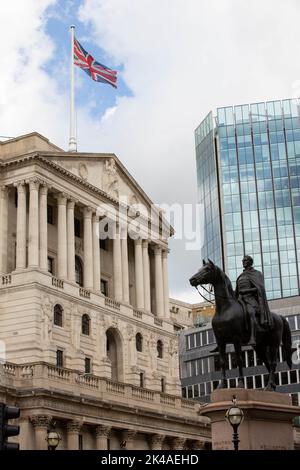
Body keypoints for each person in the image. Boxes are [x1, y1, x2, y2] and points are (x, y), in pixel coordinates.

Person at [235, 255, 273, 346]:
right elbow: (237, 291)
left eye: (245, 260)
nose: (243, 262)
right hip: (240, 299)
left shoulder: (257, 274)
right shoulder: (241, 276)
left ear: (250, 262)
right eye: (243, 260)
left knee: (250, 312)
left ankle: (252, 337)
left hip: (250, 300)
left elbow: (259, 288)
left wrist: (246, 291)